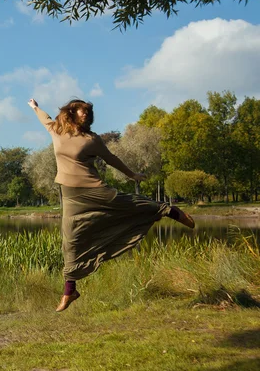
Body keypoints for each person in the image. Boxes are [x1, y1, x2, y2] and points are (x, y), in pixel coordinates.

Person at [27, 98, 195, 312]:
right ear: (72, 112)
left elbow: (111, 159)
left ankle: (167, 210)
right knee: (70, 240)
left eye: (88, 111)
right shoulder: (57, 130)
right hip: (70, 196)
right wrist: (35, 108)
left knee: (127, 204)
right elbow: (45, 118)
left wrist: (132, 174)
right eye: (82, 110)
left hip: (94, 189)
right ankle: (70, 290)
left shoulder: (92, 139)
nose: (86, 114)